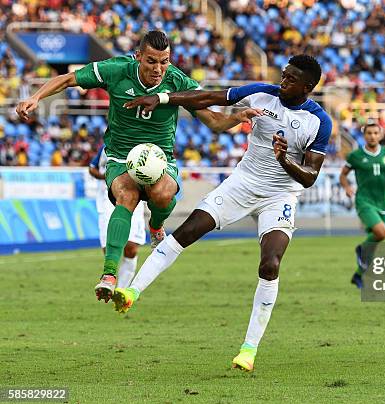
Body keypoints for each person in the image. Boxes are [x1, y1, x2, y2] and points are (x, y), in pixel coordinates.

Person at [112, 54, 332, 372]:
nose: (283, 81)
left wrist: (284, 160)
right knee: (186, 231)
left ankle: (248, 350)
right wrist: (160, 98)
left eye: (290, 79)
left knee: (270, 265)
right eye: (283, 74)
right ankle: (132, 291)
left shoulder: (319, 121)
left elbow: (309, 176)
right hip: (242, 184)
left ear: (307, 87)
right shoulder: (260, 92)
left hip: (280, 196)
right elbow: (206, 96)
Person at [16, 30, 260, 302]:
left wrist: (237, 117)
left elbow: (214, 122)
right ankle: (109, 275)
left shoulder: (178, 81)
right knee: (127, 195)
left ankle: (156, 225)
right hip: (121, 156)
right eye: (151, 61)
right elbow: (70, 78)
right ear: (138, 57)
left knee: (162, 194)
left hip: (161, 158)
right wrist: (36, 97)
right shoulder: (117, 70)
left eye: (164, 61)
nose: (158, 69)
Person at [339, 122, 385, 288]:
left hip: (382, 201)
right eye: (369, 133)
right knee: (382, 233)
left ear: (380, 135)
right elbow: (343, 175)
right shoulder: (355, 156)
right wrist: (347, 187)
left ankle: (358, 275)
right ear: (364, 135)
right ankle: (360, 249)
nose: (372, 136)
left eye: (376, 133)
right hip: (364, 200)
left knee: (375, 242)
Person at [89, 144, 145, 290]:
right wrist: (107, 176)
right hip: (107, 200)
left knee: (131, 248)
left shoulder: (141, 149)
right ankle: (110, 281)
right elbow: (92, 168)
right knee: (108, 248)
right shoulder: (107, 146)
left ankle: (122, 290)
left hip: (133, 198)